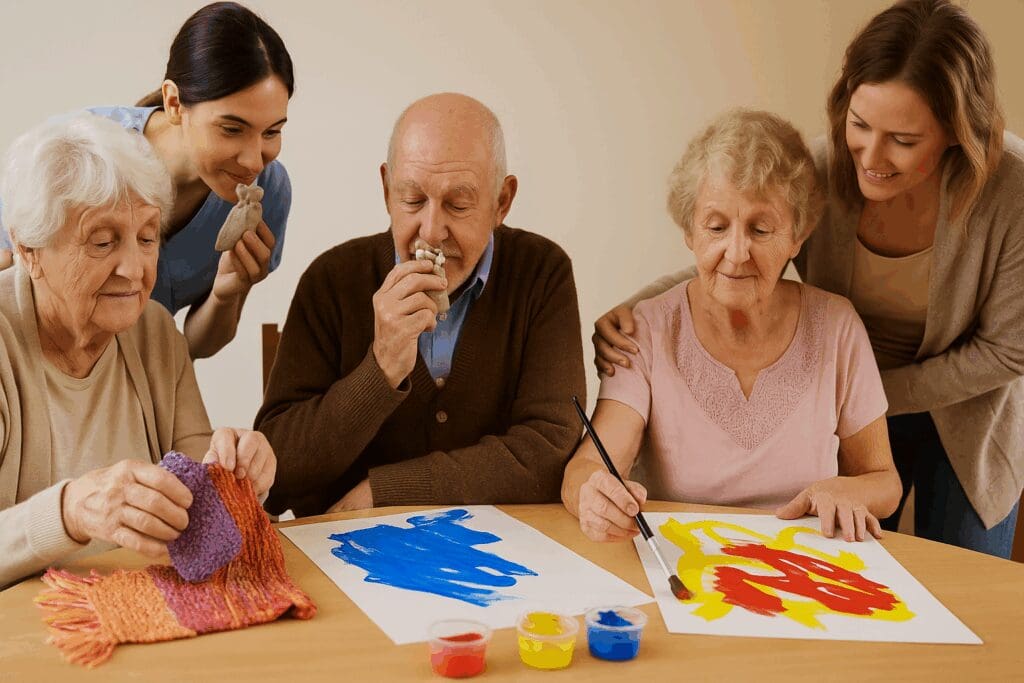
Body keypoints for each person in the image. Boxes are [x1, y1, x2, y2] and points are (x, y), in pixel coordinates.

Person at [592, 0, 1024, 557]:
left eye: (904, 139)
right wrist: (633, 311)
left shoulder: (1010, 192)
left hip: (962, 412)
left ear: (955, 132)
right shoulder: (820, 171)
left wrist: (852, 395)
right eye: (860, 125)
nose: (870, 155)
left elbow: (1009, 349)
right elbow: (745, 255)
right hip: (849, 395)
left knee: (970, 586)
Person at [562, 109, 901, 543]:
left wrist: (845, 488)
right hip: (687, 569)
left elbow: (884, 481)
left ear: (798, 235)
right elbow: (588, 466)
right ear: (690, 232)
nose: (736, 252)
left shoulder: (836, 326)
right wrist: (594, 496)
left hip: (808, 575)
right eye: (716, 227)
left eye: (761, 229)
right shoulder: (646, 331)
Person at [256, 93, 586, 518]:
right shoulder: (331, 280)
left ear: (501, 202)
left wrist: (388, 490)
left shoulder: (541, 273)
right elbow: (278, 469)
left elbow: (550, 449)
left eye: (459, 204)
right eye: (412, 200)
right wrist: (383, 368)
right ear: (387, 189)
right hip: (347, 557)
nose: (430, 232)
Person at [0, 114, 277, 589]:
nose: (134, 270)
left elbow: (203, 492)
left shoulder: (152, 331)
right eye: (103, 241)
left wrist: (240, 474)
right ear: (29, 251)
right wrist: (70, 511)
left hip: (137, 617)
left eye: (147, 237)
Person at [0, 1, 295, 359]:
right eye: (231, 129)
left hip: (140, 385)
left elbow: (190, 348)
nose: (253, 161)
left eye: (272, 132)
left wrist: (226, 293)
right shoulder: (76, 156)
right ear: (174, 102)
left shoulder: (271, 194)